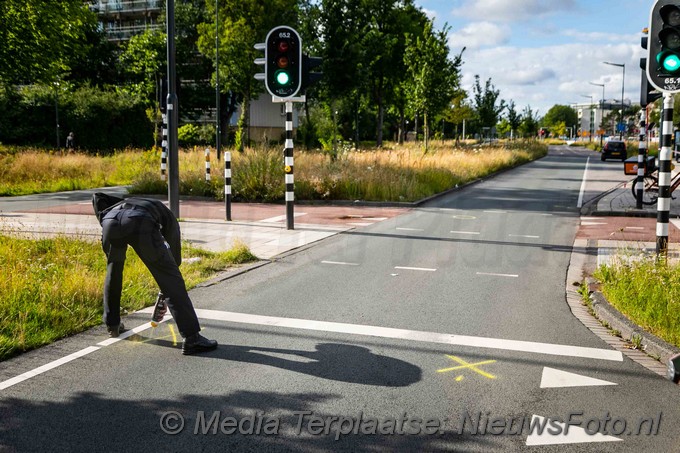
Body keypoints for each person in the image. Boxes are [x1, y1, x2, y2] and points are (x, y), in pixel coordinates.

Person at [92, 193, 217, 355]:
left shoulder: (113, 205)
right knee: (171, 279)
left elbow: (96, 197)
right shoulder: (163, 212)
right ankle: (192, 338)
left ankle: (112, 324)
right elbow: (173, 259)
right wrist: (165, 290)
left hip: (110, 222)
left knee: (113, 271)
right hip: (140, 222)